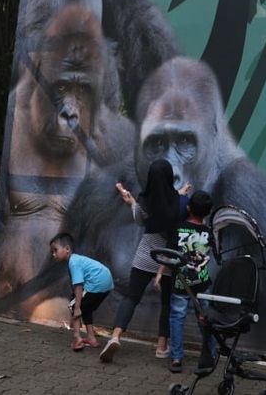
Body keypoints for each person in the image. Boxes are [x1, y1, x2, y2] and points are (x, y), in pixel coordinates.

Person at [100, 159, 189, 363]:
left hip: (146, 253)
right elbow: (176, 211)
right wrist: (182, 194)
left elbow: (141, 220)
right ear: (169, 177)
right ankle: (161, 347)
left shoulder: (145, 198)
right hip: (167, 259)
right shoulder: (181, 203)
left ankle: (115, 336)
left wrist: (131, 203)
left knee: (131, 297)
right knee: (167, 304)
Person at [168, 190, 217, 374]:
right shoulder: (208, 232)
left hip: (181, 282)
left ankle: (176, 358)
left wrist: (159, 274)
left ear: (188, 208)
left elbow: (170, 254)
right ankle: (210, 354)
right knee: (206, 319)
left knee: (177, 318)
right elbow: (210, 254)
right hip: (203, 283)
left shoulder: (178, 228)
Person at [49, 232, 113, 352]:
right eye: (52, 251)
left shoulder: (74, 262)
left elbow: (78, 286)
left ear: (67, 249)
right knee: (85, 307)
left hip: (98, 283)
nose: (53, 254)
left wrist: (77, 307)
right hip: (107, 283)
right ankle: (91, 338)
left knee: (74, 306)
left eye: (55, 250)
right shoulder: (76, 259)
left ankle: (77, 338)